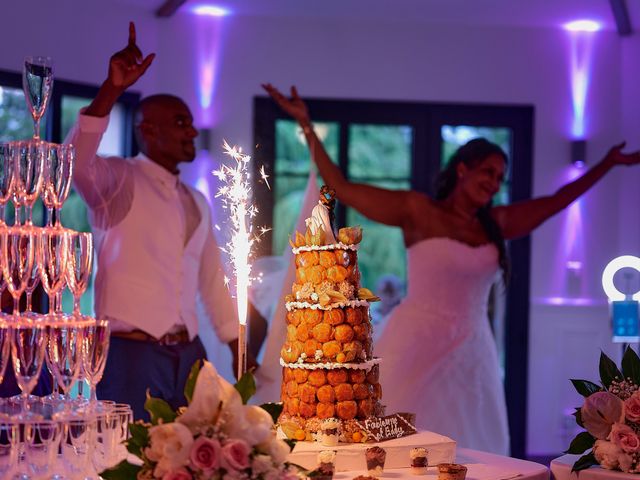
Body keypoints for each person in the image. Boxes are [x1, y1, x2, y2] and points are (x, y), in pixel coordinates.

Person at [263, 83, 640, 454]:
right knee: (398, 441)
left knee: (472, 443)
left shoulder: (497, 223)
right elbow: (342, 187)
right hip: (415, 343)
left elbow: (558, 200)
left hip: (472, 352)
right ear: (462, 169)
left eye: (499, 179)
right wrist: (307, 126)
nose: (493, 184)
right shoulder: (418, 211)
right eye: (487, 172)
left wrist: (607, 163)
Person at [66, 23, 255, 420]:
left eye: (190, 124)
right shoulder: (118, 180)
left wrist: (237, 341)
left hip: (190, 357)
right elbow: (74, 164)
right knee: (129, 465)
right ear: (148, 130)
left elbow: (211, 279)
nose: (192, 132)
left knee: (195, 464)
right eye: (181, 123)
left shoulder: (197, 200)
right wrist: (111, 90)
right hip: (130, 356)